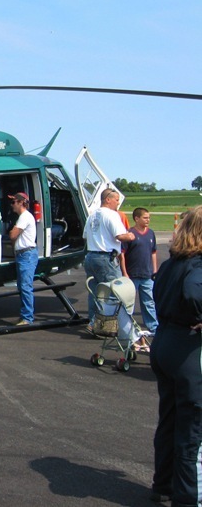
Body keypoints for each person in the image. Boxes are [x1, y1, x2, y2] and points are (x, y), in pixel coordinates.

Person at [149, 205, 202, 506]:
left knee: (169, 419)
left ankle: (164, 483)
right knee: (193, 428)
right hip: (188, 350)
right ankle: (189, 498)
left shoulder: (173, 262)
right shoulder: (197, 265)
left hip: (165, 343)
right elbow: (196, 292)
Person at [83, 188, 135, 333]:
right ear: (108, 199)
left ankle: (94, 322)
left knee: (94, 292)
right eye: (117, 199)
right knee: (114, 291)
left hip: (91, 256)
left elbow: (85, 236)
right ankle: (105, 325)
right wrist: (130, 235)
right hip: (106, 258)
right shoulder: (112, 215)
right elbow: (120, 236)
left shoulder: (92, 215)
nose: (118, 203)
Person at [121, 207, 158, 350]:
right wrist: (124, 272)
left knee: (149, 303)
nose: (148, 220)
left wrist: (154, 270)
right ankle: (128, 331)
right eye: (145, 218)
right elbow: (122, 254)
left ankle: (153, 328)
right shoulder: (130, 234)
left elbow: (153, 252)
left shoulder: (151, 234)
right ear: (137, 218)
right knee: (128, 305)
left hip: (147, 275)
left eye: (149, 218)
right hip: (132, 275)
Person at [8, 193, 38, 325]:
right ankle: (25, 315)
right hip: (22, 254)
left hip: (27, 254)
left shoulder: (24, 217)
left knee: (25, 286)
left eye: (14, 202)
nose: (12, 204)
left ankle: (27, 317)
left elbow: (13, 234)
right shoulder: (23, 217)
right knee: (22, 286)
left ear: (21, 202)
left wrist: (12, 233)